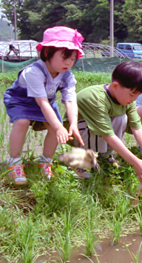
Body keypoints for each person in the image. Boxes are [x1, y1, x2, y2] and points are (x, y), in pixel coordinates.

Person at [4, 26, 85, 185]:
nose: (69, 62)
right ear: (47, 53)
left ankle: (45, 162)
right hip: (22, 100)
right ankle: (13, 162)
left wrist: (73, 124)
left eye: (73, 58)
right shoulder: (34, 72)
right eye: (64, 57)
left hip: (46, 102)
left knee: (55, 127)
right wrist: (58, 127)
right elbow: (41, 102)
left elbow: (70, 100)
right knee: (22, 122)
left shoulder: (67, 76)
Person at [69, 61, 142, 183]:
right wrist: (135, 162)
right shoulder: (96, 99)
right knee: (97, 124)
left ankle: (105, 156)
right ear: (115, 86)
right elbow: (109, 135)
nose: (134, 99)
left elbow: (137, 127)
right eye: (132, 95)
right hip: (73, 133)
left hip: (96, 131)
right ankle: (80, 162)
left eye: (137, 96)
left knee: (121, 118)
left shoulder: (127, 100)